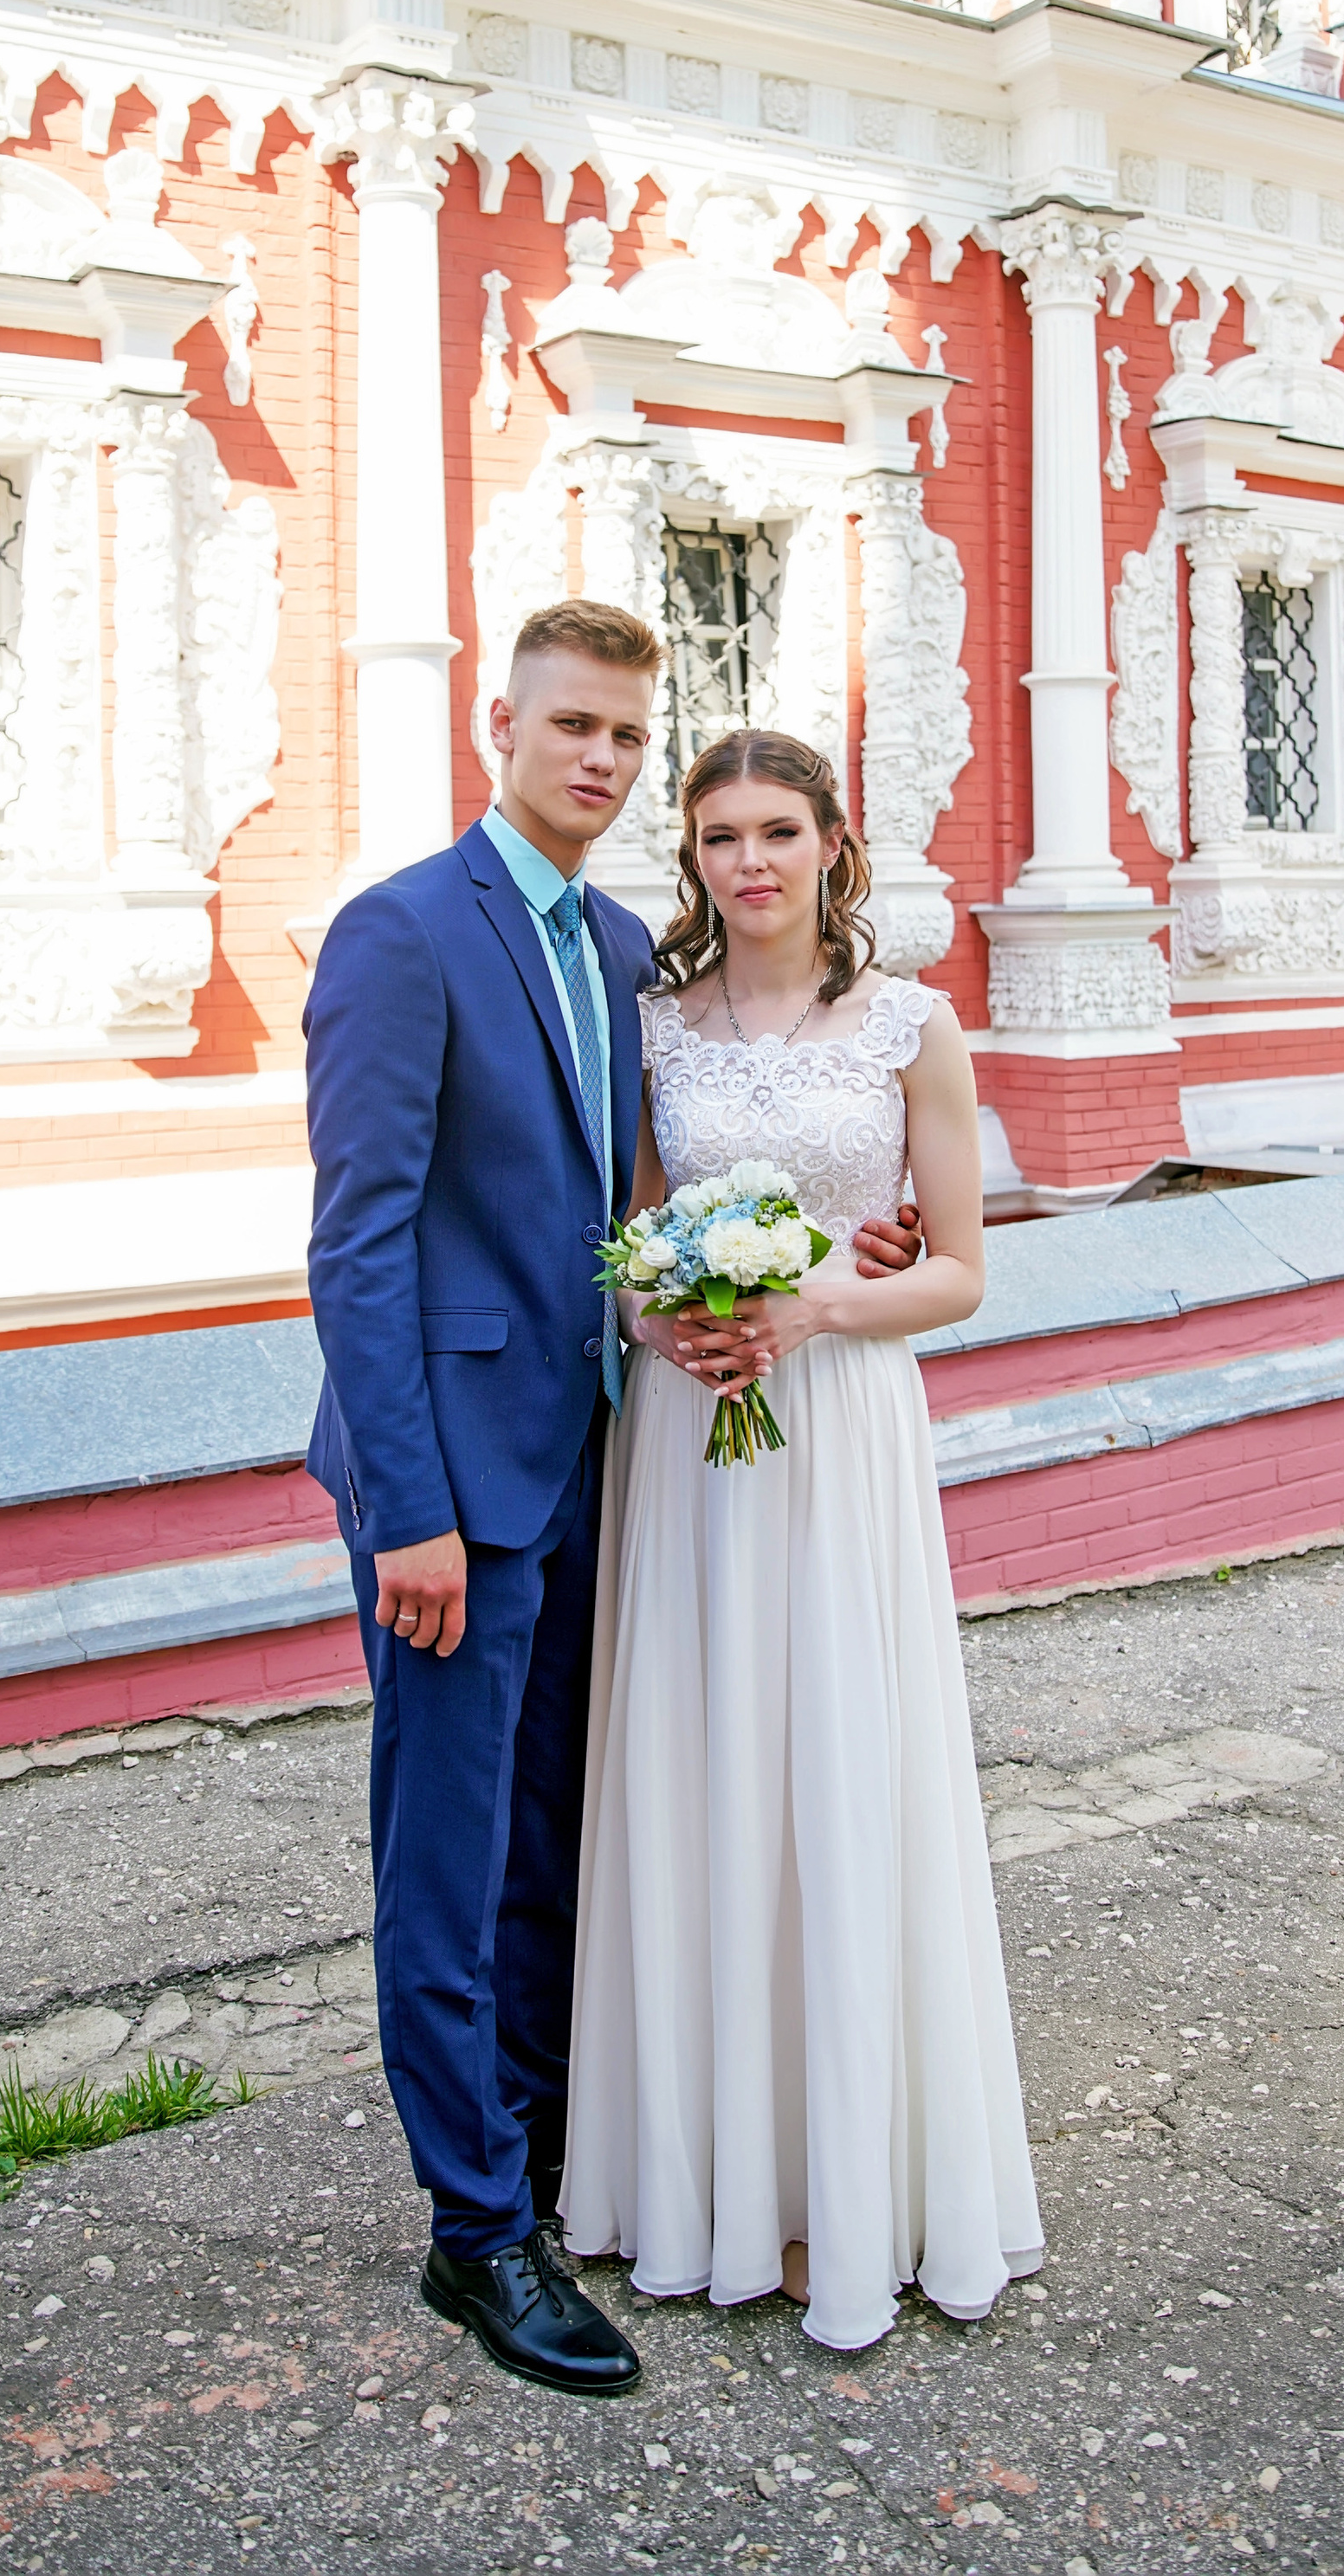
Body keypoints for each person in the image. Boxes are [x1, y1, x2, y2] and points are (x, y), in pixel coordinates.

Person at [301, 603, 922, 2399]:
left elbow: (643, 1205)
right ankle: (472, 2232)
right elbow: (357, 1244)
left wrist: (827, 1246)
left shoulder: (601, 944)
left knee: (558, 1840)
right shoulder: (405, 929)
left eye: (624, 738)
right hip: (457, 1490)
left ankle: (553, 2153)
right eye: (569, 724)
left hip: (609, 1461)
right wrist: (405, 1504)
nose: (598, 758)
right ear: (500, 722)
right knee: (445, 1851)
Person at [563, 727, 1044, 2352]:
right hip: (694, 1437)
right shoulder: (652, 1030)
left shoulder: (916, 1024)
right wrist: (667, 1316)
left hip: (839, 1432)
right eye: (718, 836)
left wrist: (816, 1300)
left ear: (837, 844)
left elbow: (960, 1272)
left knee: (841, 1766)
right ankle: (705, 2178)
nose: (748, 862)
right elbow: (630, 1234)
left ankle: (857, 2181)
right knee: (701, 1771)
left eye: (779, 830)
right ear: (689, 858)